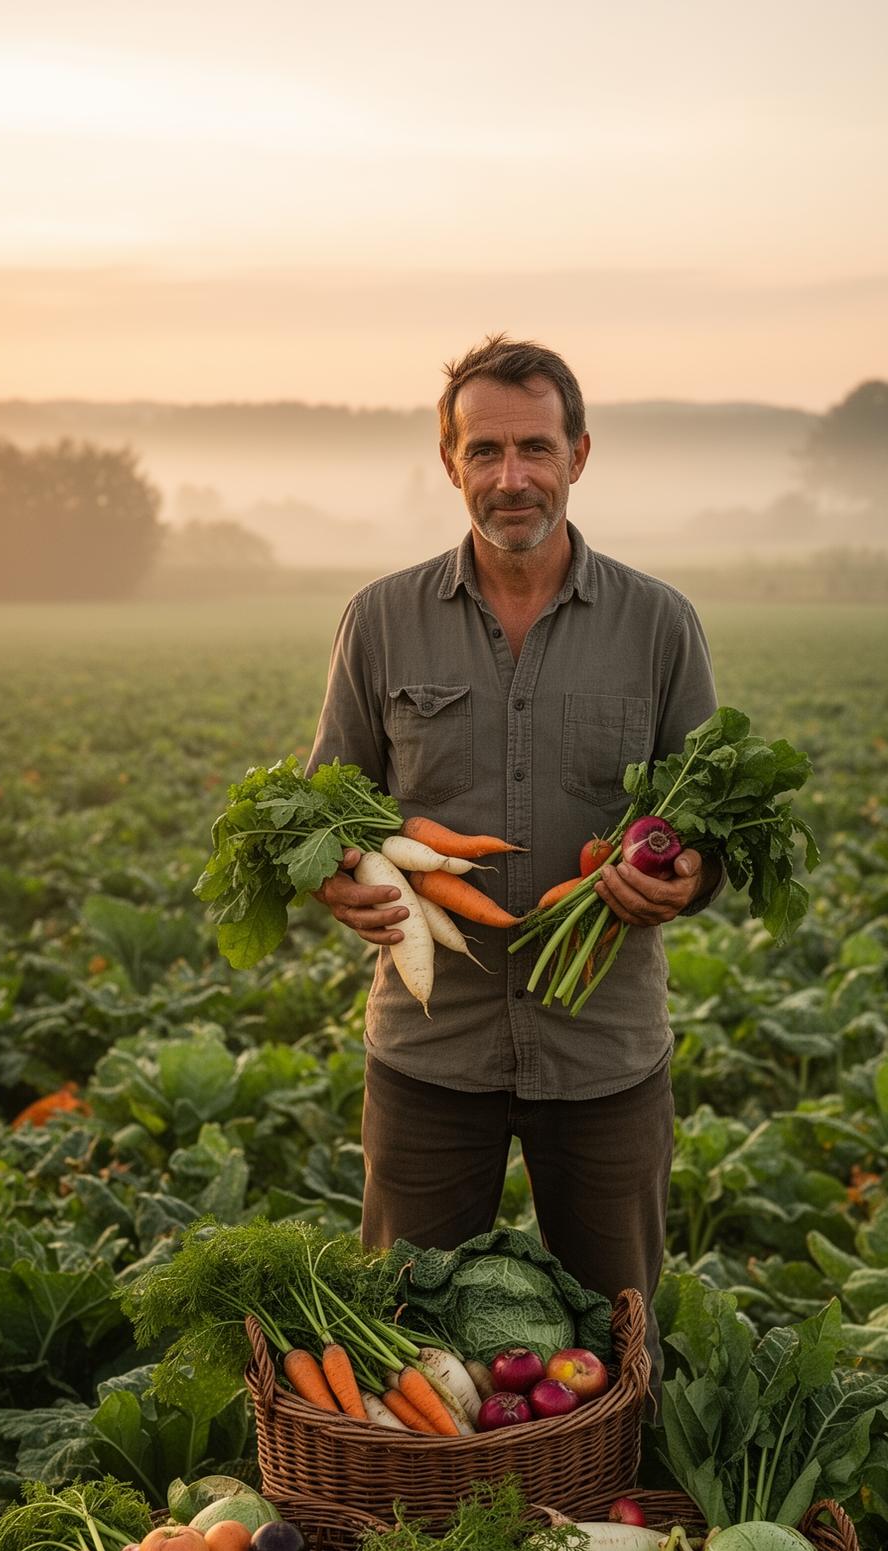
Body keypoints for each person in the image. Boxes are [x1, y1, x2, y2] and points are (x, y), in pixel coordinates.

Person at [308, 335, 722, 1388]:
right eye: (483, 450)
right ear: (450, 462)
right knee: (406, 1355)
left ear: (580, 453)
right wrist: (337, 880)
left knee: (623, 1347)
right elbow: (323, 816)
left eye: (534, 447)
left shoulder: (660, 625)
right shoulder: (381, 622)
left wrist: (686, 879)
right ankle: (429, 1540)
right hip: (429, 1051)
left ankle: (609, 1516)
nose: (511, 478)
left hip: (604, 1054)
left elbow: (709, 826)